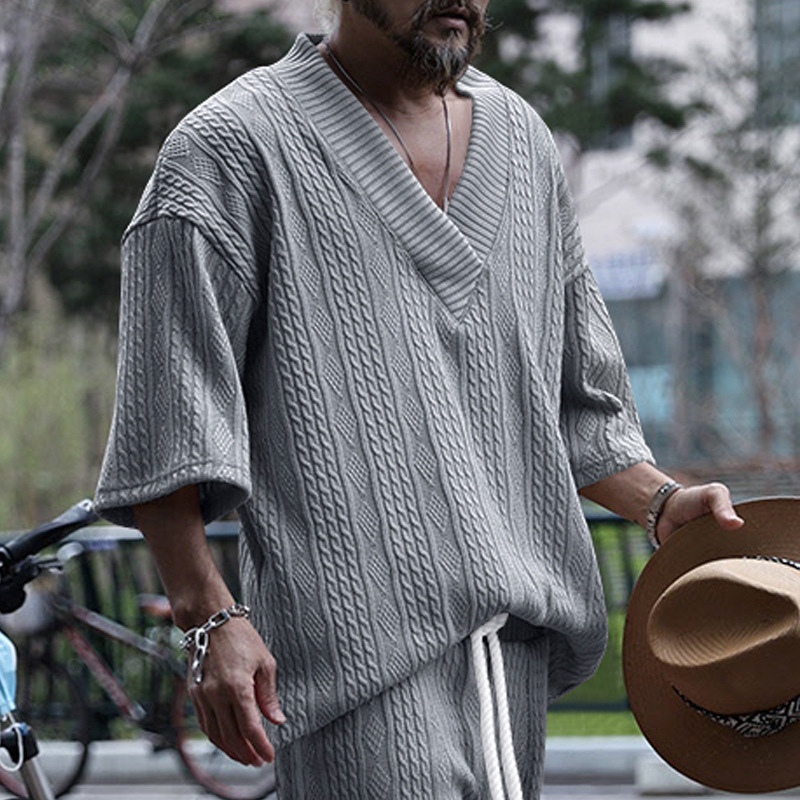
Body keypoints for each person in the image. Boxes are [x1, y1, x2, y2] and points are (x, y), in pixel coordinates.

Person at [94, 1, 744, 797]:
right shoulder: (229, 147)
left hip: (515, 665)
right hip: (357, 676)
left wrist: (659, 501)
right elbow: (168, 420)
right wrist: (211, 618)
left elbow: (574, 398)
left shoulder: (522, 140)